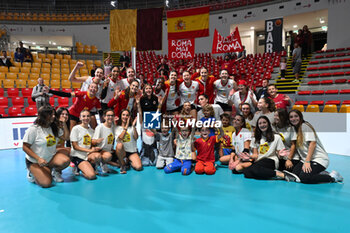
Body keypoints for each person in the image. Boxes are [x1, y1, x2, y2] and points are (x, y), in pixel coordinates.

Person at [288, 110, 343, 183]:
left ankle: (332, 177)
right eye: (291, 117)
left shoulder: (305, 126)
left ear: (300, 117)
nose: (293, 119)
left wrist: (307, 161)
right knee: (295, 174)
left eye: (296, 116)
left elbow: (313, 143)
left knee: (305, 178)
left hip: (318, 159)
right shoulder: (294, 129)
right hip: (305, 159)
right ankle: (320, 173)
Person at [23, 106, 70, 187]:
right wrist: (38, 159)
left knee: (66, 160)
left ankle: (53, 171)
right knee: (46, 183)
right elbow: (25, 147)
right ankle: (31, 172)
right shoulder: (34, 129)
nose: (54, 116)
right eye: (51, 115)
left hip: (50, 158)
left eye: (54, 114)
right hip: (35, 161)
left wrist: (64, 123)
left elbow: (66, 138)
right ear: (44, 116)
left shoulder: (53, 127)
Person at [242, 116, 296, 181]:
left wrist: (280, 155)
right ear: (258, 126)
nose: (262, 125)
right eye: (260, 123)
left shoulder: (276, 137)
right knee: (246, 172)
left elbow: (279, 154)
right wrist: (249, 156)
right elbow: (256, 155)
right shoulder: (256, 138)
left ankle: (282, 175)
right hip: (260, 161)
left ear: (268, 124)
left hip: (271, 160)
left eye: (264, 122)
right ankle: (272, 174)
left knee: (253, 170)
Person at [70, 110, 102, 180]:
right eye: (83, 116)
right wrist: (89, 150)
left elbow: (90, 144)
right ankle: (78, 166)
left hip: (87, 155)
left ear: (90, 118)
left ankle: (91, 165)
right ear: (80, 118)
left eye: (88, 116)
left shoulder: (92, 131)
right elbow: (75, 147)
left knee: (98, 156)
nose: (86, 118)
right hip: (78, 156)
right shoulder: (76, 129)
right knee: (91, 176)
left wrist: (95, 147)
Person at [92, 109, 115, 174]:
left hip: (108, 150)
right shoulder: (100, 127)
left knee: (118, 164)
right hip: (100, 150)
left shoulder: (113, 127)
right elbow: (93, 142)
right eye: (108, 115)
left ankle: (103, 162)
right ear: (104, 117)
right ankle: (96, 163)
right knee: (108, 156)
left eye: (112, 115)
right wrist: (96, 142)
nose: (110, 117)